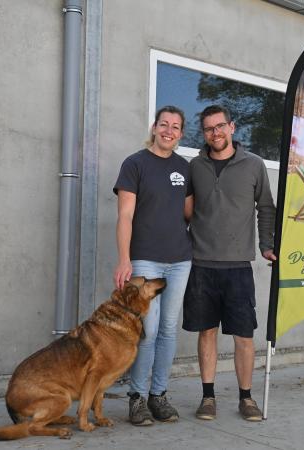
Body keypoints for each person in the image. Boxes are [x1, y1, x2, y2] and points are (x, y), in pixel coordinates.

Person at [182, 105, 276, 422]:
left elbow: (266, 207)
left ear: (232, 127)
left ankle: (246, 398)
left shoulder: (254, 165)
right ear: (204, 133)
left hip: (238, 267)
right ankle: (208, 397)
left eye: (220, 126)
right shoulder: (194, 167)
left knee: (243, 337)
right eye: (208, 129)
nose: (215, 133)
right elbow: (184, 211)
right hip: (201, 266)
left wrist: (266, 245)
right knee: (206, 333)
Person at [113, 105, 193, 426]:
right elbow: (125, 216)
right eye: (164, 125)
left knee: (169, 329)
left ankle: (158, 395)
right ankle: (136, 398)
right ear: (154, 127)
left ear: (181, 133)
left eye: (175, 127)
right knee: (148, 330)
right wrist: (123, 259)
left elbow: (190, 213)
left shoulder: (184, 168)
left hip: (180, 259)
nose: (169, 131)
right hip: (145, 258)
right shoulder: (135, 164)